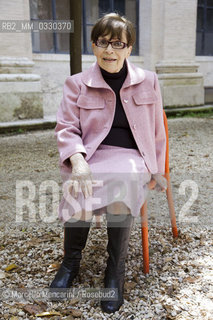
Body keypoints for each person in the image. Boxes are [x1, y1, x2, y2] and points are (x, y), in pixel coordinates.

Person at [50, 13, 167, 314]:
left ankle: (115, 272)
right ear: (94, 46)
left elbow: (157, 129)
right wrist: (77, 161)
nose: (109, 50)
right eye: (102, 43)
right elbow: (66, 128)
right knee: (81, 181)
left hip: (132, 156)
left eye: (118, 43)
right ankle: (70, 262)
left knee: (122, 180)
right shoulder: (76, 84)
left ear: (129, 48)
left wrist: (157, 169)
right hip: (91, 154)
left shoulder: (149, 81)